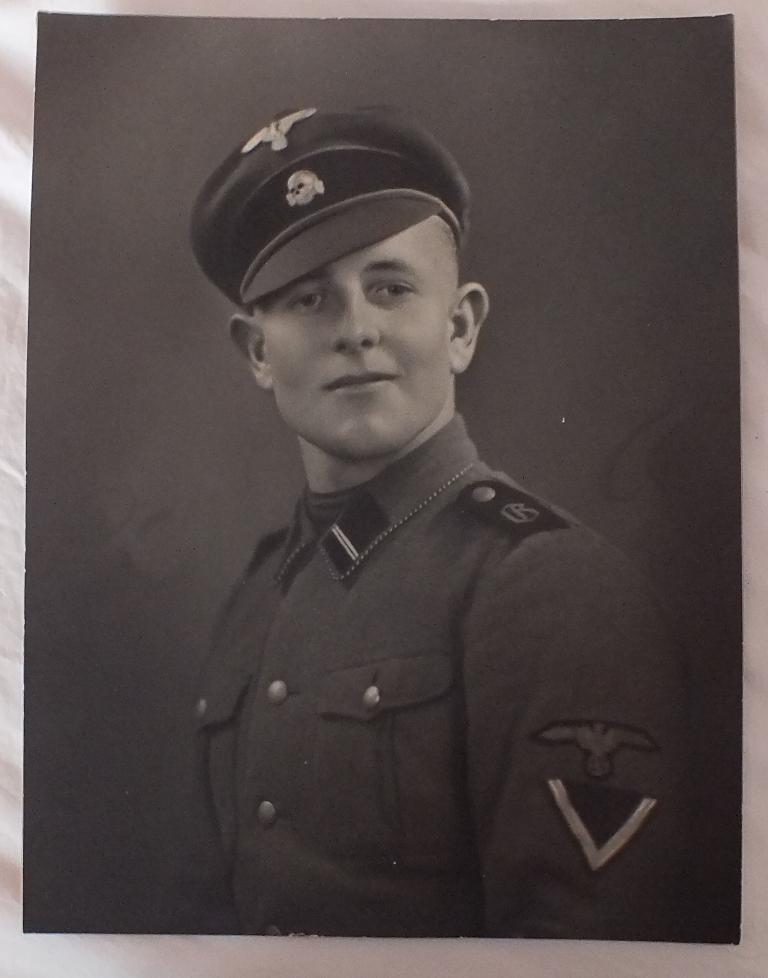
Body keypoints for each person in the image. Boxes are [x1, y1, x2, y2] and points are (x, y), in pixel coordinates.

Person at [189, 106, 687, 939]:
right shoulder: (259, 590)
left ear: (459, 326)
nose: (356, 330)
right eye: (309, 299)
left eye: (390, 288)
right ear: (258, 352)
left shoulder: (549, 585)